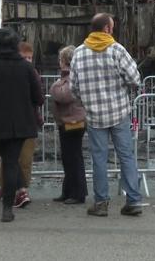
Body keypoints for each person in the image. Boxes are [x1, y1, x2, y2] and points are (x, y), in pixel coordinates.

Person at [70, 13, 143, 217]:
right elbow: (135, 79)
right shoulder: (117, 50)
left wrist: (87, 101)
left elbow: (73, 87)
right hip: (119, 112)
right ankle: (133, 201)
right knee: (126, 156)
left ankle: (101, 203)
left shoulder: (79, 53)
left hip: (94, 115)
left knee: (99, 159)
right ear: (107, 29)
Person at [0, 28, 44, 222]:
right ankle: (7, 208)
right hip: (18, 125)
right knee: (11, 164)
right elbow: (38, 97)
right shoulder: (27, 68)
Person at [0, 41, 41, 208]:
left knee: (25, 159)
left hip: (27, 121)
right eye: (24, 57)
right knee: (8, 158)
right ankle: (6, 188)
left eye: (30, 57)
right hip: (19, 120)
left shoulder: (32, 73)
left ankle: (22, 190)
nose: (27, 60)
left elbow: (38, 98)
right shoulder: (15, 71)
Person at [50, 45, 88, 204]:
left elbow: (63, 95)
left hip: (73, 121)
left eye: (60, 59)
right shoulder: (72, 76)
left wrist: (54, 86)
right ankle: (68, 191)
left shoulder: (71, 77)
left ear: (65, 61)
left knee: (73, 157)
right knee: (68, 157)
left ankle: (77, 193)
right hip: (69, 120)